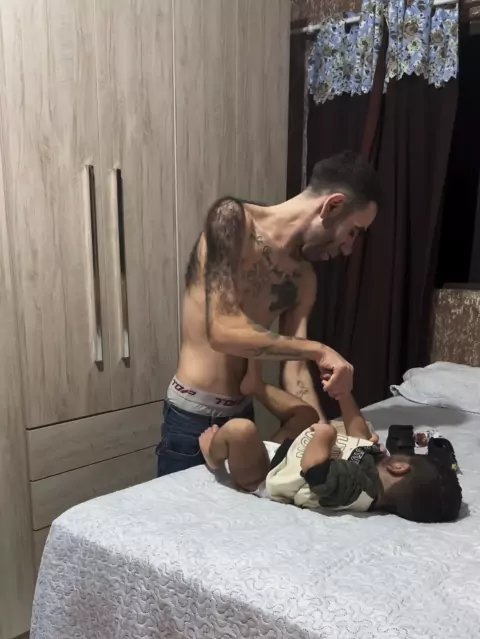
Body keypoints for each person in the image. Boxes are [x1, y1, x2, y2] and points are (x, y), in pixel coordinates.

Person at [157, 151, 382, 477]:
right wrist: (319, 350)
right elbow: (222, 331)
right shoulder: (233, 222)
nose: (348, 249)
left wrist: (325, 439)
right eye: (353, 232)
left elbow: (295, 370)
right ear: (332, 206)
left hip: (242, 418)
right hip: (191, 418)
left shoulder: (303, 279)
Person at [199, 363, 462, 524]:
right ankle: (255, 385)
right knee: (305, 415)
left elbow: (314, 469)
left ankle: (213, 454)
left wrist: (325, 434)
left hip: (264, 475)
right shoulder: (372, 471)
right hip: (284, 453)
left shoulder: (354, 487)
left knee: (241, 430)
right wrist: (343, 395)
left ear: (399, 466)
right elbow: (358, 436)